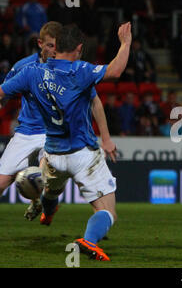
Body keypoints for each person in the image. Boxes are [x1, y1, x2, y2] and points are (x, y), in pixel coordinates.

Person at [0, 23, 132, 261]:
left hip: (52, 155)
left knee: (51, 191)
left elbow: (1, 93)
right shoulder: (80, 71)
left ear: (55, 46)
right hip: (83, 154)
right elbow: (115, 71)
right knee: (108, 212)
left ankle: (47, 212)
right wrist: (125, 43)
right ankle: (88, 241)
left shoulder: (31, 72)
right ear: (79, 48)